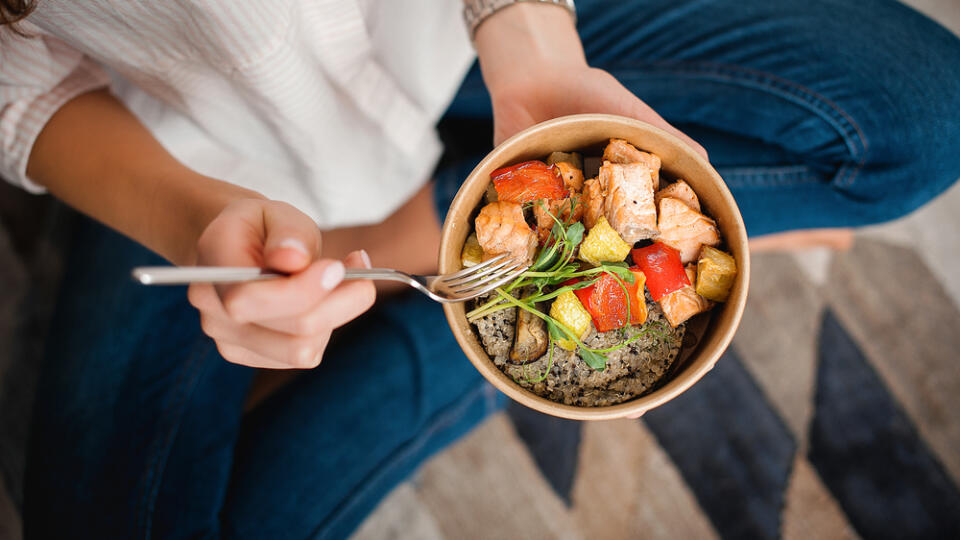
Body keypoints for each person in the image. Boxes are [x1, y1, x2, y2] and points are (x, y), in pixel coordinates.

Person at [2, 0, 958, 537]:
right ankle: (475, 305)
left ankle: (454, 282)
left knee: (927, 116)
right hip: (192, 141)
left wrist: (531, 38)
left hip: (459, 32)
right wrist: (191, 216)